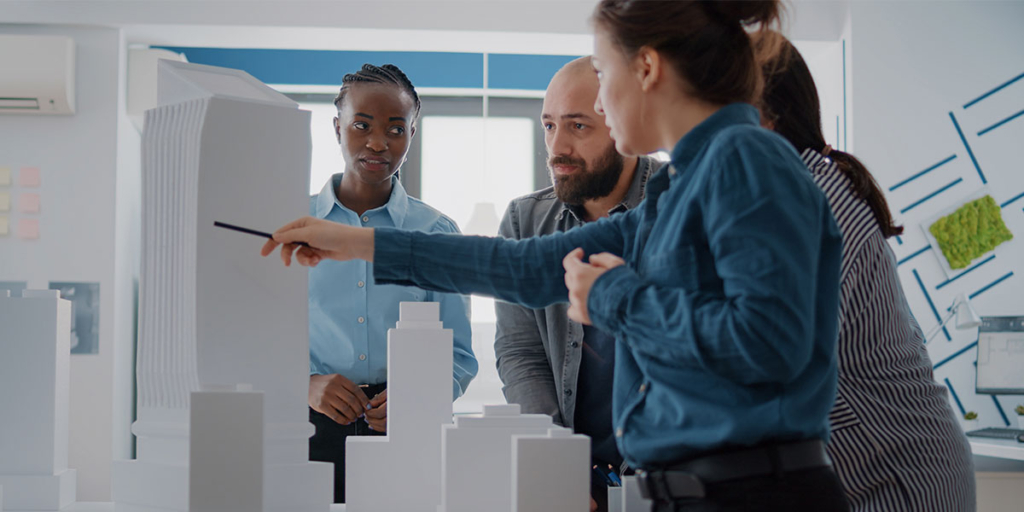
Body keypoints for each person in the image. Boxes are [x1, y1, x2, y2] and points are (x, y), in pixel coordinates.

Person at [263, 2, 849, 510]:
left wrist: (614, 297)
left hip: (751, 493)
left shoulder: (745, 159)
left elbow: (769, 341)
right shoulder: (680, 188)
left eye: (603, 72)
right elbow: (527, 267)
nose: (601, 100)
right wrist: (359, 243)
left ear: (646, 68)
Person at [757, 33, 976, 512]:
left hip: (899, 476)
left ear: (764, 118)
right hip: (864, 470)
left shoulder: (808, 200)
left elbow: (779, 356)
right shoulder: (784, 192)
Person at [305, 63, 478, 504]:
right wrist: (302, 383)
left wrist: (420, 397)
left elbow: (459, 354)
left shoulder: (437, 234)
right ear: (337, 127)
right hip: (306, 424)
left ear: (411, 134)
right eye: (361, 125)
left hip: (408, 427)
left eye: (396, 129)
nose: (378, 143)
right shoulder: (293, 225)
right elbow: (256, 338)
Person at [494, 55, 658, 512]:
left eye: (578, 126)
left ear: (624, 124)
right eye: (548, 125)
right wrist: (556, 463)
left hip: (672, 472)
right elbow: (520, 352)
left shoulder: (686, 203)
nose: (556, 147)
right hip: (573, 477)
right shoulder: (524, 221)